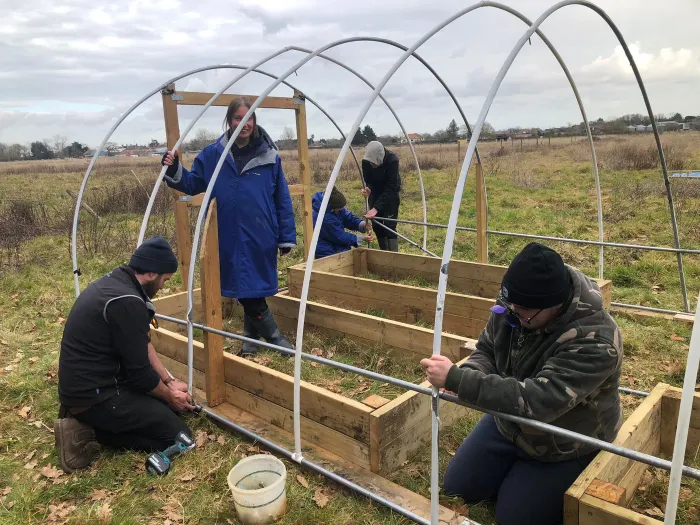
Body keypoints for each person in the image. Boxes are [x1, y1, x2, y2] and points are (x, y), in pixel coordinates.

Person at [420, 242, 623, 525]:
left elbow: (539, 401)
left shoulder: (597, 342)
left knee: (514, 517)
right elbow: (487, 349)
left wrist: (459, 379)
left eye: (524, 310)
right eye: (510, 304)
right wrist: (472, 372)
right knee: (458, 488)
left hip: (563, 441)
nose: (513, 312)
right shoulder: (516, 304)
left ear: (555, 304)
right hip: (509, 420)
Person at [161, 97, 296, 356]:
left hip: (261, 232)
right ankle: (273, 338)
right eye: (238, 118)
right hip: (227, 233)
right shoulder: (214, 155)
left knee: (252, 284)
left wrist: (286, 236)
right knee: (245, 284)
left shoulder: (269, 156)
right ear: (229, 120)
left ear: (254, 121)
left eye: (249, 118)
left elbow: (282, 197)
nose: (244, 124)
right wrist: (175, 168)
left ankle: (252, 340)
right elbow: (192, 183)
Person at [55, 237, 195, 473]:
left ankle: (89, 418)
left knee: (164, 408)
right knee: (179, 437)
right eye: (165, 280)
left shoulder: (120, 283)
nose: (163, 287)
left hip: (89, 386)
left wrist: (168, 381)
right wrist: (169, 396)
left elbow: (142, 340)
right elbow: (141, 377)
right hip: (95, 396)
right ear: (151, 273)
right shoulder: (127, 302)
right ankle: (89, 433)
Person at [312, 187, 373, 259]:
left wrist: (362, 225)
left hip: (336, 245)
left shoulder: (333, 204)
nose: (341, 209)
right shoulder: (323, 217)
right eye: (340, 208)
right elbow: (339, 236)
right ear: (333, 208)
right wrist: (361, 238)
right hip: (325, 249)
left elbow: (347, 218)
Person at [361, 141, 400, 252]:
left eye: (374, 163)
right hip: (376, 194)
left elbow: (392, 186)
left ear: (380, 157)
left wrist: (376, 208)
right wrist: (368, 188)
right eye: (370, 163)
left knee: (389, 227)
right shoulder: (365, 162)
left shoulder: (392, 161)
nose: (371, 165)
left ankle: (393, 257)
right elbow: (368, 180)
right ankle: (384, 254)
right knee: (377, 226)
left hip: (390, 194)